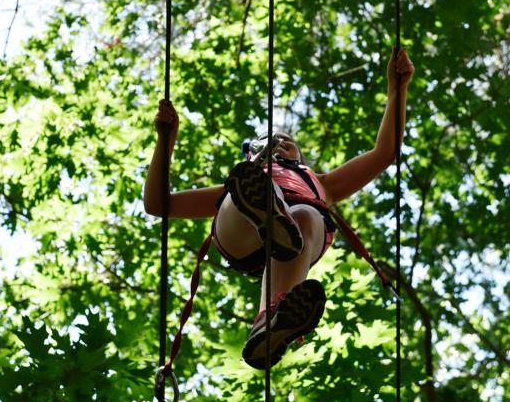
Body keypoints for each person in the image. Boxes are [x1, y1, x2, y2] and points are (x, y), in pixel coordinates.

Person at [144, 47, 415, 369]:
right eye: (268, 140)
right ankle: (266, 213)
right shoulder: (250, 176)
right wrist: (166, 141)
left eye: (287, 140)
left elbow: (384, 152)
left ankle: (269, 320)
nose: (279, 141)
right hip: (242, 231)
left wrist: (398, 89)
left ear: (300, 157)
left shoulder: (322, 184)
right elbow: (158, 204)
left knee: (308, 215)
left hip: (294, 243)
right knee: (245, 187)